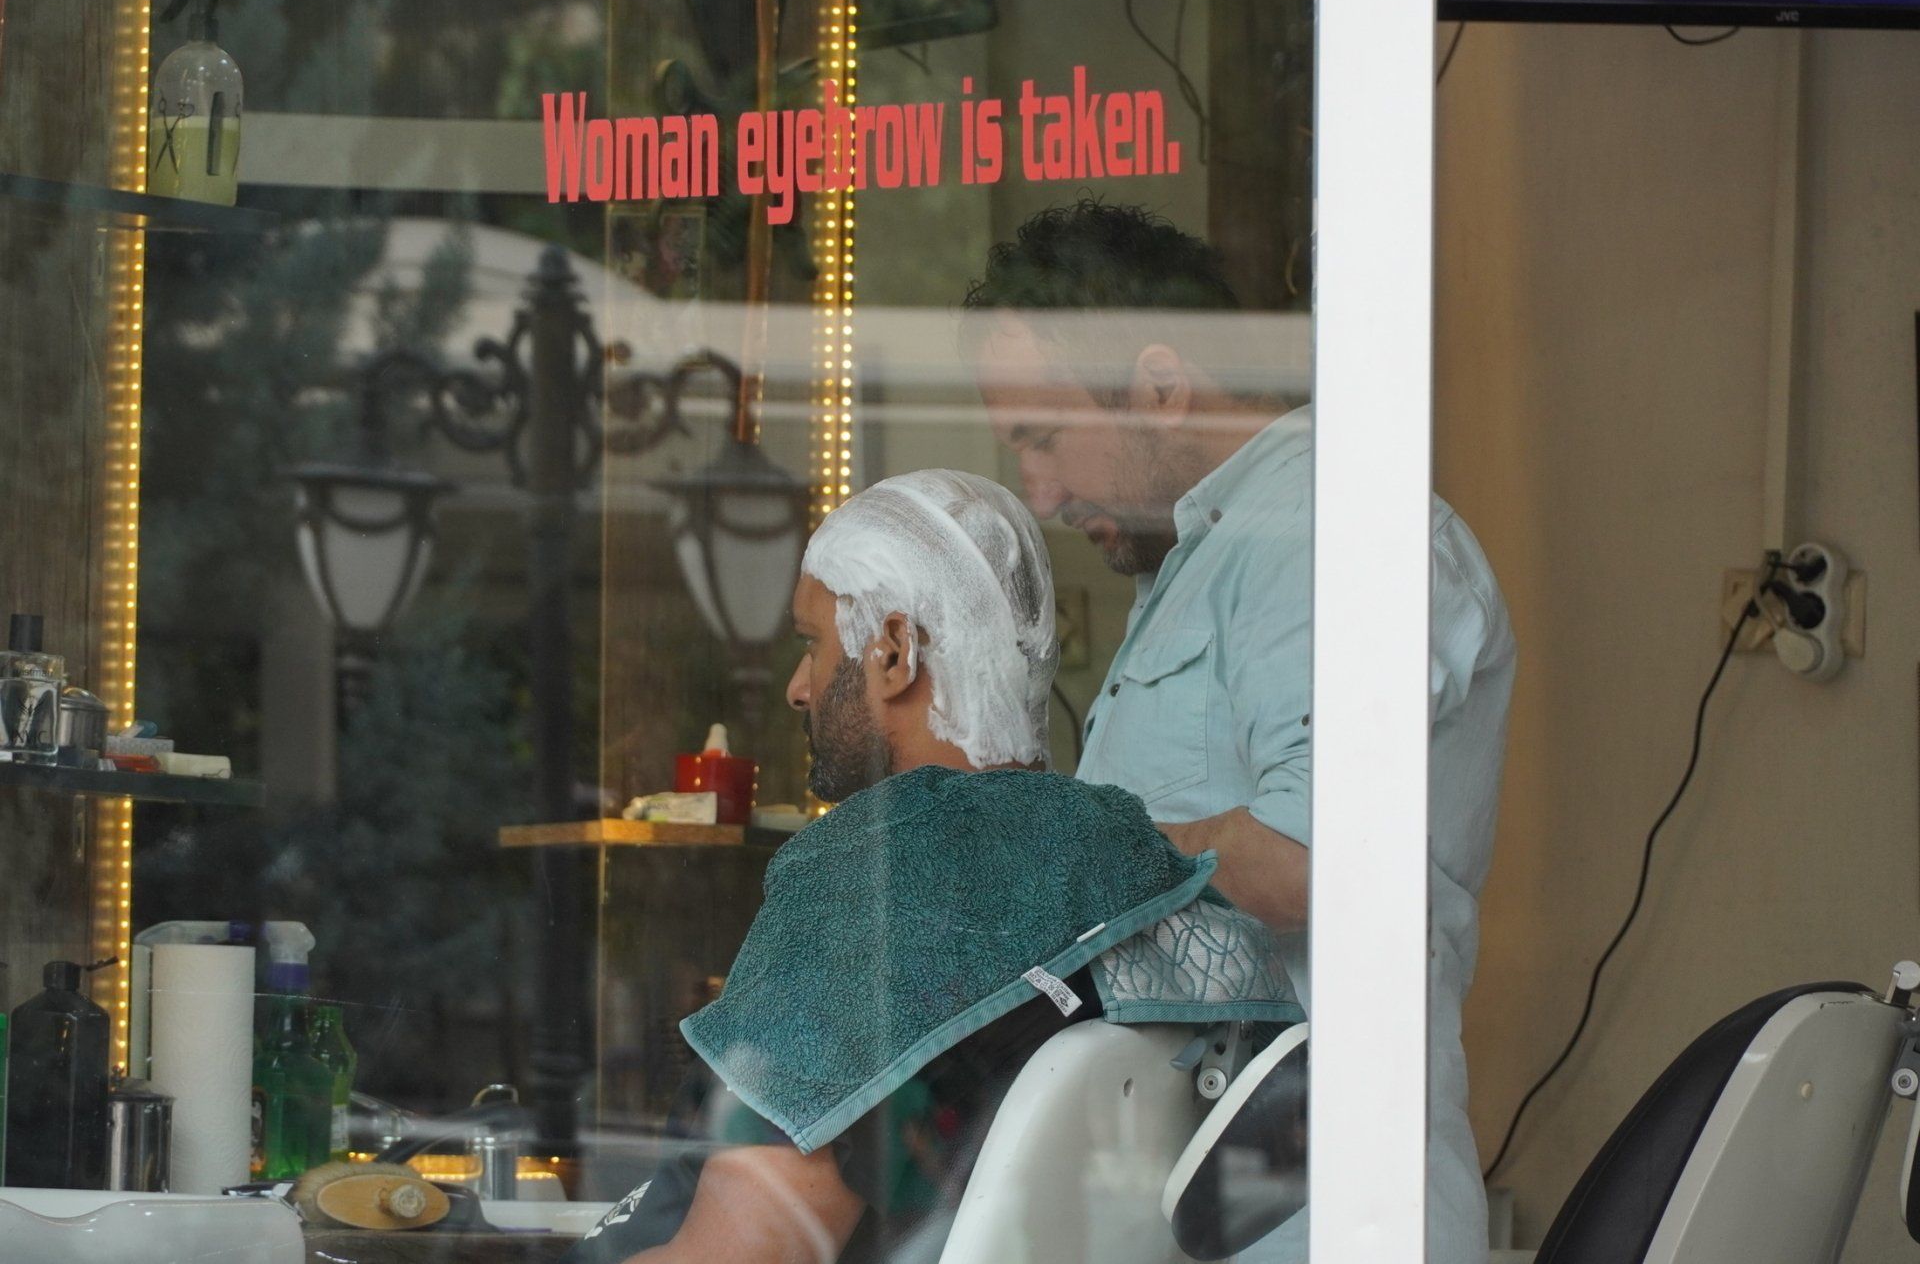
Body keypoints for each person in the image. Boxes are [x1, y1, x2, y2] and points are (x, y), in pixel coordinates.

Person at [963, 199, 1517, 1264]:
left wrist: (1057, 855)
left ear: (1162, 386)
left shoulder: (1324, 529)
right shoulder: (1211, 556)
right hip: (1195, 1203)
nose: (1040, 490)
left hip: (1314, 1219)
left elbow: (1310, 855)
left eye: (1044, 437)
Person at [567, 469, 1295, 1264]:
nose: (799, 687)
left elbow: (743, 1255)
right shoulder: (1128, 864)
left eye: (812, 643)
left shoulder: (875, 883)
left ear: (894, 651)